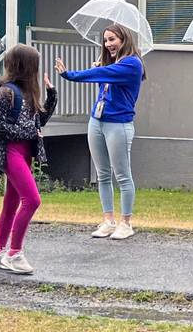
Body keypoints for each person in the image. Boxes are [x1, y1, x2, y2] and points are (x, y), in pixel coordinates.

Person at [54, 24, 145, 240]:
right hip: (97, 121)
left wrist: (70, 74)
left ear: (124, 40)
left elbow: (101, 74)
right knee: (102, 174)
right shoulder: (112, 63)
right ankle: (108, 220)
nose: (108, 44)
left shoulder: (132, 64)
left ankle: (126, 223)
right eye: (105, 40)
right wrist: (103, 67)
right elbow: (105, 81)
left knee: (122, 175)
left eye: (112, 39)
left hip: (118, 124)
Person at [0, 44, 57, 274]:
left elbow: (38, 123)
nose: (37, 70)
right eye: (35, 65)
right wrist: (27, 133)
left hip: (24, 152)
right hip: (11, 152)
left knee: (11, 203)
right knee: (32, 200)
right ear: (26, 67)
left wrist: (51, 96)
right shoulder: (5, 92)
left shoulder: (27, 93)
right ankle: (14, 253)